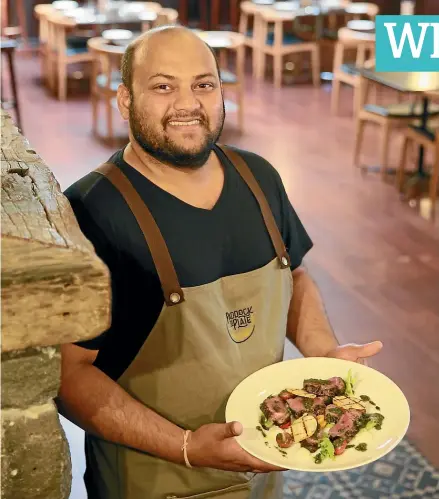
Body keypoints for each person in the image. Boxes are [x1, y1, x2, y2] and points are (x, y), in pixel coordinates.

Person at [59, 26, 383, 499]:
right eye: (164, 86)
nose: (188, 103)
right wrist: (188, 446)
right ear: (125, 100)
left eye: (203, 84)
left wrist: (323, 353)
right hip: (156, 480)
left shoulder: (259, 177)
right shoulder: (91, 211)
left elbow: (293, 275)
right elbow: (69, 377)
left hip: (263, 469)